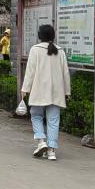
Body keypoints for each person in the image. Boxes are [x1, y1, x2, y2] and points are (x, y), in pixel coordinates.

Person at [20, 24, 72, 161]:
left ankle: (41, 141)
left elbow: (30, 72)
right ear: (53, 36)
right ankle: (51, 151)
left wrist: (25, 89)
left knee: (36, 115)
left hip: (39, 90)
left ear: (39, 36)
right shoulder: (60, 51)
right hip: (56, 92)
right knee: (53, 121)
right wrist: (67, 91)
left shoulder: (35, 49)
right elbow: (65, 73)